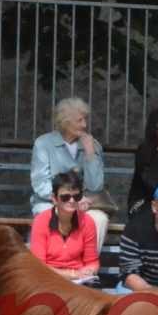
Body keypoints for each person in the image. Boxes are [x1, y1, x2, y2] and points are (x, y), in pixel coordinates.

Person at [28, 169, 99, 315]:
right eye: (65, 197)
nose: (71, 201)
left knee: (92, 313)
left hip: (79, 284)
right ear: (54, 199)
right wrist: (70, 274)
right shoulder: (41, 221)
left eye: (76, 197)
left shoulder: (87, 222)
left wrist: (88, 272)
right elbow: (38, 265)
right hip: (49, 283)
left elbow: (93, 261)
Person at [30, 97, 107, 247]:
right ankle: (51, 267)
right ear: (65, 121)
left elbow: (95, 186)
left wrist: (90, 154)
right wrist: (67, 200)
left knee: (99, 219)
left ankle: (86, 268)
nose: (85, 125)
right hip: (50, 202)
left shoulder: (93, 145)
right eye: (79, 120)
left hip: (83, 204)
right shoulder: (44, 144)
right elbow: (40, 183)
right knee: (48, 216)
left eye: (85, 119)